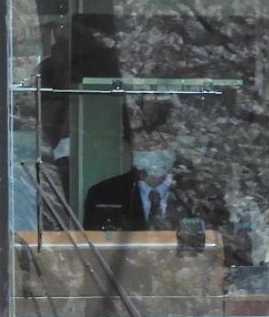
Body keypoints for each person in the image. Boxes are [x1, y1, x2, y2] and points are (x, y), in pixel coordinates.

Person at [82, 98, 227, 232]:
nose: (152, 145)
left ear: (176, 142)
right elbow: (95, 252)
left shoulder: (203, 195)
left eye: (161, 138)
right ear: (127, 144)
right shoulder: (103, 195)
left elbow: (220, 246)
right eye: (143, 138)